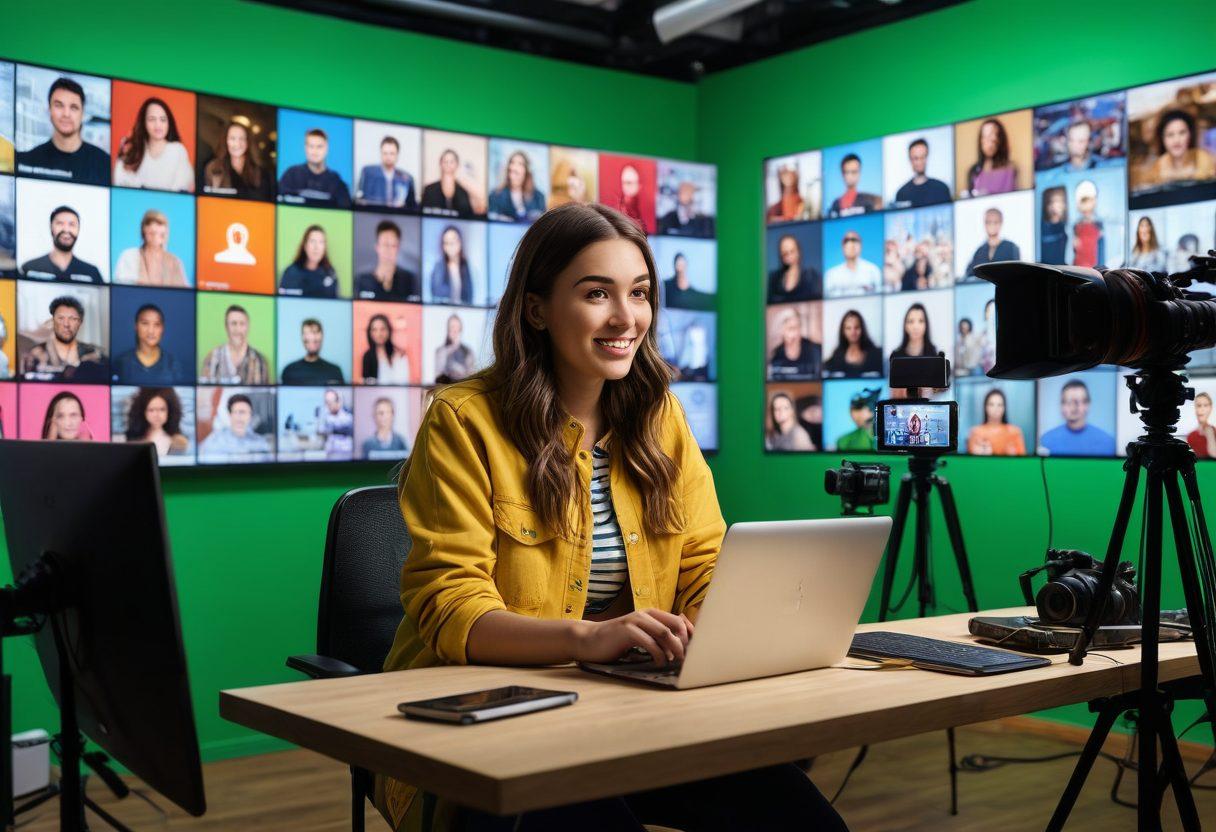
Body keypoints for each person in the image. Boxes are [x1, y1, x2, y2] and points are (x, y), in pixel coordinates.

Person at [377, 202, 845, 831]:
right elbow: (453, 606)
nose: (627, 319)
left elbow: (706, 565)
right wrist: (588, 638)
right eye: (597, 293)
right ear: (537, 309)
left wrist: (715, 637)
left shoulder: (662, 419)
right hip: (488, 725)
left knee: (800, 819)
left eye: (640, 293)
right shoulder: (463, 420)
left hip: (633, 713)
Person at [16, 77, 109, 185]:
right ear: (49, 110)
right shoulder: (27, 161)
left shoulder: (105, 163)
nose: (66, 114)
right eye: (59, 105)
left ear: (82, 114)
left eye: (74, 107)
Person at [112, 97, 194, 191]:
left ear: (169, 123)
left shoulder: (178, 150)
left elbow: (182, 188)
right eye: (151, 119)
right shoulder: (133, 149)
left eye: (163, 119)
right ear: (143, 122)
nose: (158, 125)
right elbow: (119, 180)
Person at [21, 295, 107, 382]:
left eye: (73, 319)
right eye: (61, 318)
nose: (66, 324)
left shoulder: (94, 354)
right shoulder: (35, 355)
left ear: (80, 323)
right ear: (53, 320)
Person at [21, 206, 103, 284]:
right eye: (60, 223)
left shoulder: (91, 273)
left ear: (78, 229)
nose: (66, 230)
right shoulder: (30, 269)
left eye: (72, 224)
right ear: (51, 227)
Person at [111, 304, 186, 385]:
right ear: (136, 326)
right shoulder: (121, 363)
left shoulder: (173, 364)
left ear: (163, 329)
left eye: (157, 324)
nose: (151, 331)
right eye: (145, 323)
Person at [278, 128, 352, 208]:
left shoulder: (336, 180)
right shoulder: (291, 174)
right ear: (305, 148)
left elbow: (346, 208)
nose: (315, 151)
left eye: (319, 146)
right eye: (311, 146)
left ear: (326, 148)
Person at [1040, 380, 1115, 456]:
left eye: (1079, 401)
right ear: (1061, 405)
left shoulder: (1107, 442)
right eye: (1068, 402)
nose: (1073, 407)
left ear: (1088, 404)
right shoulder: (1046, 441)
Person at [1143, 110, 1216, 188]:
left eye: (1182, 133)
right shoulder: (1158, 167)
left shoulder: (1204, 159)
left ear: (1190, 135)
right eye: (1170, 135)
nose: (1176, 140)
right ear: (1162, 139)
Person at [114, 210, 188, 287]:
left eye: (159, 225)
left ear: (166, 233)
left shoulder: (175, 262)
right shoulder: (129, 256)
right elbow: (120, 288)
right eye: (149, 226)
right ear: (143, 232)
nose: (154, 229)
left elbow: (184, 294)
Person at [200, 305, 270, 384]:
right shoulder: (212, 357)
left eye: (242, 324)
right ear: (226, 327)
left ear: (247, 327)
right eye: (233, 323)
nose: (237, 329)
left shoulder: (260, 360)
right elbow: (204, 392)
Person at [202, 121, 272, 199]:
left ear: (247, 142)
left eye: (241, 138)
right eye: (232, 138)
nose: (237, 144)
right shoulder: (213, 168)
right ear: (226, 141)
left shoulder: (261, 172)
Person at [355, 220, 421, 301]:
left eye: (393, 245)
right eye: (385, 244)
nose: (388, 250)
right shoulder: (362, 281)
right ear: (377, 247)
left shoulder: (409, 280)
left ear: (398, 248)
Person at [198, 393, 272, 462]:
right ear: (230, 415)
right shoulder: (214, 440)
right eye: (235, 412)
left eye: (243, 412)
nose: (239, 417)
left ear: (250, 415)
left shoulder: (260, 443)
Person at [124, 387, 189, 458]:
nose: (156, 415)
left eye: (162, 409)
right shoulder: (134, 441)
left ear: (170, 411)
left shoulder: (179, 442)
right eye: (151, 410)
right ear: (143, 412)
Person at [356, 135, 417, 209]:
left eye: (392, 153)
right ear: (381, 153)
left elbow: (412, 207)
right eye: (385, 153)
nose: (388, 157)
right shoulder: (368, 173)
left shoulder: (407, 178)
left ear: (397, 155)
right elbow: (361, 201)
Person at [279, 224, 339, 298]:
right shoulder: (291, 273)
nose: (316, 247)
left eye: (321, 242)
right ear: (305, 245)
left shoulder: (330, 273)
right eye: (312, 241)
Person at [281, 318, 345, 385]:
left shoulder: (334, 371)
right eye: (307, 333)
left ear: (322, 336)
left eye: (315, 333)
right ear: (302, 337)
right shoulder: (290, 371)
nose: (312, 337)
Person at [964, 118, 1018, 196]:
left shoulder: (1010, 168)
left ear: (1000, 139)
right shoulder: (973, 170)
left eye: (992, 136)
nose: (989, 143)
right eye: (984, 137)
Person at [488, 151, 546, 223]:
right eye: (512, 163)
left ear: (527, 170)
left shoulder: (538, 197)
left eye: (520, 164)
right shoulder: (495, 195)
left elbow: (543, 224)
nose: (514, 167)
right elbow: (492, 219)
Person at [421, 148, 480, 218]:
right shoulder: (429, 189)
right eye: (445, 161)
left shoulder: (464, 191)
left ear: (457, 165)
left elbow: (471, 214)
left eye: (451, 161)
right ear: (440, 164)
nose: (448, 164)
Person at [824, 309, 883, 377]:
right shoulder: (837, 355)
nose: (853, 332)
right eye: (848, 328)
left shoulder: (876, 354)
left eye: (856, 327)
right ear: (843, 331)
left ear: (862, 329)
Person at [893, 138, 951, 207]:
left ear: (927, 157)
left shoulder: (942, 188)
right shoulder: (902, 194)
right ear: (910, 160)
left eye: (923, 157)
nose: (920, 162)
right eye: (916, 158)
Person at [966, 389, 1026, 456]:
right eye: (991, 404)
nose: (995, 408)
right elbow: (969, 461)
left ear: (1004, 407)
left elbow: (1023, 460)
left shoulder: (1015, 432)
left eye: (999, 404)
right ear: (985, 407)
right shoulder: (975, 432)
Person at [965, 208, 1021, 277]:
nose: (992, 225)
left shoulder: (1011, 247)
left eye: (995, 222)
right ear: (984, 224)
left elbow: (1017, 272)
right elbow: (969, 274)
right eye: (988, 222)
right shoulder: (979, 251)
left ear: (1000, 223)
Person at [767, 307, 819, 380]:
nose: (795, 333)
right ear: (782, 331)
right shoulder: (776, 355)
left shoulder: (815, 350)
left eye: (798, 328)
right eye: (791, 329)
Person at [767, 234, 822, 302]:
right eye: (785, 253)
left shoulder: (810, 276)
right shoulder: (774, 280)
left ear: (798, 252)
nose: (789, 256)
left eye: (792, 251)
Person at [824, 230, 880, 297]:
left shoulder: (873, 270)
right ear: (843, 247)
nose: (851, 245)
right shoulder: (831, 275)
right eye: (847, 241)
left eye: (855, 241)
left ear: (860, 246)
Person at [429, 225, 474, 305]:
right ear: (443, 246)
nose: (451, 245)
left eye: (453, 241)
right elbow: (436, 294)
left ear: (460, 242)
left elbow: (469, 296)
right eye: (447, 242)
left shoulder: (465, 266)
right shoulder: (438, 267)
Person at [362, 314, 411, 385]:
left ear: (389, 330)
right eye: (374, 330)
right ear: (370, 333)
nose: (379, 334)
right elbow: (367, 387)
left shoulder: (400, 354)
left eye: (382, 329)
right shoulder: (367, 357)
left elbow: (404, 382)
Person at [433, 313, 477, 382]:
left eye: (457, 327)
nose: (455, 331)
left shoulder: (468, 351)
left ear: (461, 329)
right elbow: (438, 375)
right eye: (452, 327)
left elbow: (472, 375)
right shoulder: (440, 351)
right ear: (448, 329)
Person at [1070, 180, 1104, 268]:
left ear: (1094, 202)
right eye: (1083, 202)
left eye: (1089, 201)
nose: (1086, 206)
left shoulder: (1099, 224)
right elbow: (1073, 247)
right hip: (1078, 265)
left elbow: (1101, 249)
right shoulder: (1076, 225)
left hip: (1093, 267)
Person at [317, 388, 354, 458]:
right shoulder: (325, 416)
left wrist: (331, 430)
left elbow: (349, 430)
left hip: (345, 453)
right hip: (330, 453)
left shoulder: (348, 417)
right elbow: (320, 431)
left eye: (330, 402)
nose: (328, 405)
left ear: (338, 401)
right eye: (326, 402)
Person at [1039, 187, 1068, 266]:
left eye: (1059, 201)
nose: (1055, 205)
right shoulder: (1041, 227)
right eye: (1052, 202)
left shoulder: (1066, 227)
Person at [613, 164, 647, 230]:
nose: (628, 187)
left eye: (630, 183)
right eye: (625, 182)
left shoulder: (644, 211)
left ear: (639, 185)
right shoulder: (617, 212)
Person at [1186, 392, 1216, 458]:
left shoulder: (1214, 432)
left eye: (1205, 405)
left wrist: (1210, 436)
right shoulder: (1191, 436)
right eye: (1199, 405)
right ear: (1195, 408)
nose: (1202, 409)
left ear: (1210, 408)